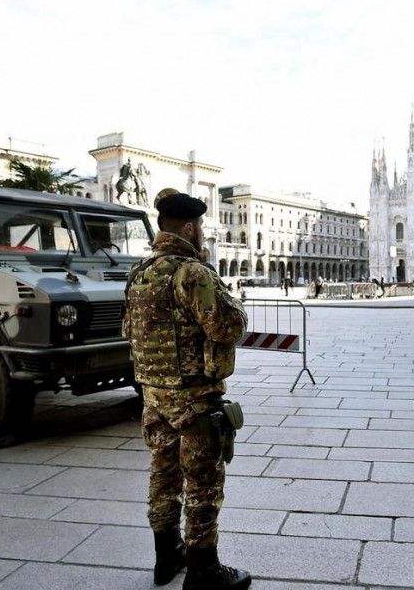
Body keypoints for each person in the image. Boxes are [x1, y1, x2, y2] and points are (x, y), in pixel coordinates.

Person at [123, 192, 251, 589]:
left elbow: (129, 332)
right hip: (194, 399)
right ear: (190, 228)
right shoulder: (192, 272)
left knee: (162, 475)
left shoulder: (140, 272)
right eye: (201, 230)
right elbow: (227, 327)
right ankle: (203, 571)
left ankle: (167, 557)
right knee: (202, 482)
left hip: (153, 397)